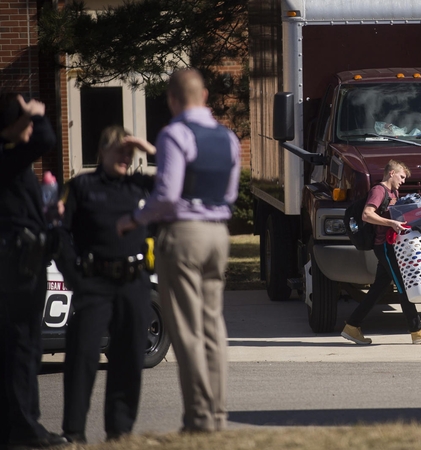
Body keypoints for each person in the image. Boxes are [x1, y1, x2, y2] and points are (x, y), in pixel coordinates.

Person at [117, 68, 241, 432]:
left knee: (187, 330)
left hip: (184, 234)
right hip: (219, 234)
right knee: (212, 326)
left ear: (171, 99)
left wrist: (134, 219)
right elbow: (230, 194)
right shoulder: (228, 138)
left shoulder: (175, 133)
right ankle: (216, 414)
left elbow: (167, 195)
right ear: (203, 96)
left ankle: (199, 419)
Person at [54, 126, 156, 444]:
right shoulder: (81, 186)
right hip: (94, 283)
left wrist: (151, 150)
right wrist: (75, 279)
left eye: (130, 152)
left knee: (128, 359)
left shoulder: (140, 186)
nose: (127, 157)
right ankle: (74, 432)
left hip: (133, 283)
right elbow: (58, 235)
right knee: (82, 356)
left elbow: (180, 182)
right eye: (120, 151)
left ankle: (119, 431)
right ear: (102, 152)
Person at [0, 93, 67, 449]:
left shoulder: (12, 162)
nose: (29, 125)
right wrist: (37, 114)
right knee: (25, 344)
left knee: (13, 345)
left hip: (19, 260)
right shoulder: (8, 157)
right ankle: (26, 428)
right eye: (22, 119)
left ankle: (13, 427)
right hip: (19, 265)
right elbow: (47, 139)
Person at [341, 160, 421, 345]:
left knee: (378, 289)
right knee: (404, 285)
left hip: (392, 246)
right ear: (391, 173)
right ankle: (416, 330)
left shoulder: (394, 192)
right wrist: (391, 223)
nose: (403, 181)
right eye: (402, 176)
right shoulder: (379, 190)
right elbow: (367, 214)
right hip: (384, 246)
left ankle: (352, 326)